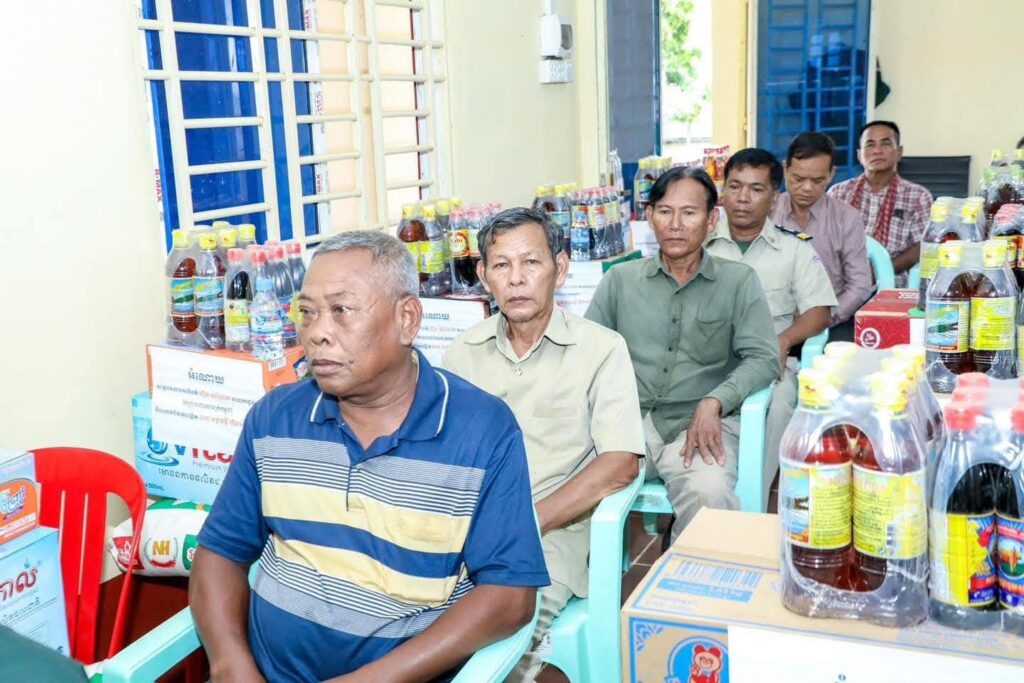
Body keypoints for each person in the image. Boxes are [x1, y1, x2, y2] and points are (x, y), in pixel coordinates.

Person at [190, 231, 549, 683]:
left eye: (341, 310)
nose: (317, 333)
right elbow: (220, 551)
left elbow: (510, 596)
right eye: (307, 312)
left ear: (406, 319)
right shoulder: (275, 418)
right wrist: (231, 665)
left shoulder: (481, 431)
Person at [444, 208, 645, 681]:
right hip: (464, 531)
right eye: (501, 265)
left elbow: (621, 462)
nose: (516, 279)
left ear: (561, 268)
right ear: (483, 275)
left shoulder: (601, 349)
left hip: (552, 533)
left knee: (500, 634)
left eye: (531, 262)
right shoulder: (463, 351)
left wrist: (526, 523)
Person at [585, 166, 778, 542]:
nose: (675, 224)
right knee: (562, 477)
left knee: (710, 493)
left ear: (712, 220)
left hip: (700, 427)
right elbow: (588, 354)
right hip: (627, 426)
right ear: (649, 217)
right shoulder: (620, 281)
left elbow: (764, 358)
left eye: (689, 213)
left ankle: (689, 578)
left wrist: (715, 401)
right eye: (664, 211)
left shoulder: (738, 281)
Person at [706, 148, 837, 502]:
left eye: (756, 189)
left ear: (774, 197)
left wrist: (783, 340)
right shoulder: (698, 246)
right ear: (722, 191)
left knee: (778, 403)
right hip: (706, 360)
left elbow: (820, 311)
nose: (742, 198)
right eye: (735, 186)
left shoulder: (794, 250)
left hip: (771, 361)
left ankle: (755, 500)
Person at [773, 131, 873, 342]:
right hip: (773, 321)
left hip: (829, 322)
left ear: (831, 174)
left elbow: (860, 285)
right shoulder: (768, 213)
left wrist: (824, 318)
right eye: (798, 179)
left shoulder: (846, 218)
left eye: (817, 180)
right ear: (785, 170)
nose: (807, 188)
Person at [828, 120, 933, 286]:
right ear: (859, 155)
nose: (877, 151)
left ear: (899, 152)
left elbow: (924, 246)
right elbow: (824, 240)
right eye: (870, 145)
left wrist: (881, 270)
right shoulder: (838, 193)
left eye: (885, 143)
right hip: (842, 282)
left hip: (892, 283)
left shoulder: (918, 196)